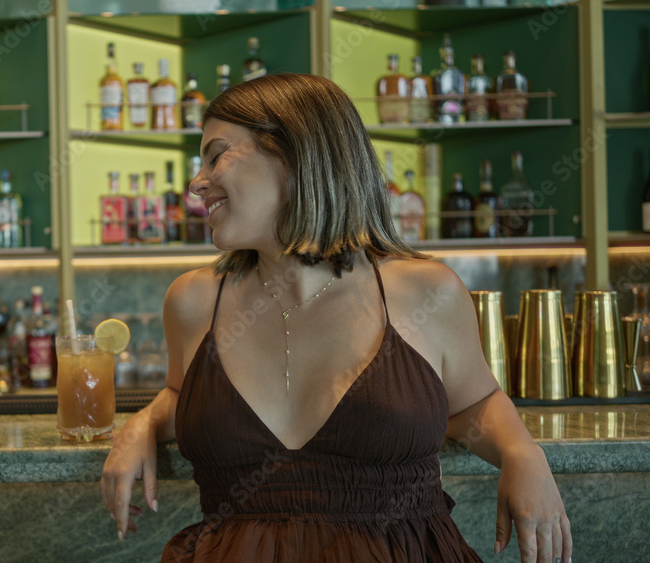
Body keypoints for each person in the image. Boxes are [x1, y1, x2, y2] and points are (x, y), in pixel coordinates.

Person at [100, 73, 571, 562]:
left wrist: (523, 453)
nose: (197, 183)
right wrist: (142, 423)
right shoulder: (194, 300)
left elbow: (474, 402)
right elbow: (184, 394)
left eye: (216, 155)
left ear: (293, 152)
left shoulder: (425, 291)